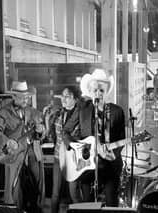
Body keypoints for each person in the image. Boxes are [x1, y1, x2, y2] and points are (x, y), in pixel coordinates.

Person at [63, 69, 125, 206]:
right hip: (87, 166)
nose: (98, 94)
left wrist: (113, 154)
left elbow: (122, 139)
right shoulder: (82, 108)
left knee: (111, 203)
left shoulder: (117, 111)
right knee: (87, 205)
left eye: (101, 91)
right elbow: (66, 131)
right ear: (90, 92)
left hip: (110, 166)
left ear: (107, 91)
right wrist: (75, 146)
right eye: (95, 90)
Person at [0, 81, 45, 212]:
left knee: (37, 184)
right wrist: (7, 141)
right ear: (13, 97)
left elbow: (42, 134)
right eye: (22, 97)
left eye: (27, 96)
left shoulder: (34, 112)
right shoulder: (3, 113)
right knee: (15, 188)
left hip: (33, 153)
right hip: (14, 155)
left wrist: (40, 130)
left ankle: (36, 209)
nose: (26, 99)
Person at [45, 86, 82, 213]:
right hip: (58, 157)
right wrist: (47, 119)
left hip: (73, 160)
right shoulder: (58, 114)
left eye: (67, 96)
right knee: (55, 193)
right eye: (62, 96)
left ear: (75, 99)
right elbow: (51, 136)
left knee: (74, 194)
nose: (63, 99)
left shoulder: (81, 116)